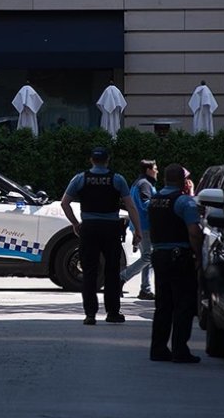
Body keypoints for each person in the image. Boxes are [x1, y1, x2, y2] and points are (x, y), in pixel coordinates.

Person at [60, 147, 143, 325]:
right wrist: (138, 230)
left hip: (89, 228)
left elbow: (64, 203)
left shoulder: (80, 178)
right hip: (111, 228)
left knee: (89, 271)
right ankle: (113, 312)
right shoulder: (117, 179)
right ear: (108, 160)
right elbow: (131, 206)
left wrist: (75, 223)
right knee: (112, 271)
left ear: (91, 160)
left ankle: (90, 314)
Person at [149, 163, 204, 363]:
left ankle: (158, 348)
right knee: (183, 304)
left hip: (159, 256)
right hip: (179, 256)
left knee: (163, 304)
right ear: (182, 181)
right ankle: (180, 349)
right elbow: (194, 232)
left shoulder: (154, 200)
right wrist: (198, 255)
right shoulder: (184, 202)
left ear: (164, 179)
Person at [120, 159, 158, 300]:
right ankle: (122, 278)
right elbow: (146, 205)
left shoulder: (139, 182)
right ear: (148, 170)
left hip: (140, 225)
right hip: (145, 226)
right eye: (155, 168)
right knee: (148, 256)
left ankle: (145, 289)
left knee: (147, 257)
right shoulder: (145, 184)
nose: (157, 171)